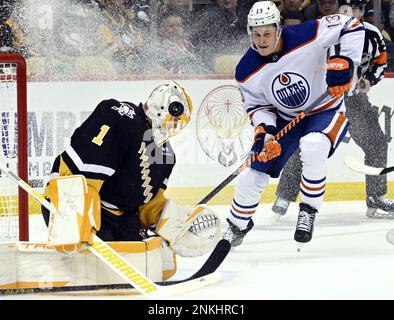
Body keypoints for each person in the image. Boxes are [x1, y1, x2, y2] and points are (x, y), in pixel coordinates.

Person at [222, 1, 364, 248]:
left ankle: (308, 209)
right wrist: (264, 133)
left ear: (278, 29)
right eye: (256, 34)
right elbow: (258, 107)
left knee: (313, 145)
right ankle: (237, 226)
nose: (262, 40)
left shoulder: (306, 34)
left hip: (325, 109)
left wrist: (346, 62)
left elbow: (352, 25)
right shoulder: (246, 69)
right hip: (285, 120)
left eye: (267, 33)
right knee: (251, 175)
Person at [41, 81, 220, 261]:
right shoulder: (122, 116)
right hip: (68, 202)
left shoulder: (166, 155)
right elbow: (79, 175)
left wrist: (172, 222)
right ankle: (76, 243)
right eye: (174, 118)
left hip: (116, 219)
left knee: (142, 255)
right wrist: (78, 221)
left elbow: (147, 205)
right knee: (93, 245)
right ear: (163, 106)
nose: (174, 126)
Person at [272, 0, 392, 219]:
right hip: (323, 101)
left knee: (376, 142)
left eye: (355, 9)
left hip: (355, 100)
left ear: (362, 12)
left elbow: (380, 61)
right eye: (346, 9)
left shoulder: (373, 34)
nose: (350, 13)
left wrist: (369, 80)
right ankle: (285, 195)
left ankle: (376, 196)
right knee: (308, 146)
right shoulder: (325, 30)